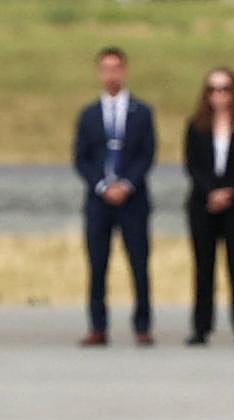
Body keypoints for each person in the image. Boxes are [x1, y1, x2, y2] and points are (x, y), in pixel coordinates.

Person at [72, 46, 156, 347]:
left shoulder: (141, 112)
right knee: (97, 264)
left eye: (116, 68)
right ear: (99, 73)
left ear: (124, 71)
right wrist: (102, 185)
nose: (111, 75)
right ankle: (98, 326)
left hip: (133, 200)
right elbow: (81, 158)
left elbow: (147, 154)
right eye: (106, 69)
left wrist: (127, 184)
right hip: (99, 202)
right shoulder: (89, 115)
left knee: (139, 263)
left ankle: (142, 325)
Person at [183, 67, 234, 346]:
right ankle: (201, 327)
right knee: (204, 266)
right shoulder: (195, 126)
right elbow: (192, 164)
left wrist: (229, 190)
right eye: (213, 89)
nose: (219, 95)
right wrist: (211, 191)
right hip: (202, 203)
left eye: (225, 89)